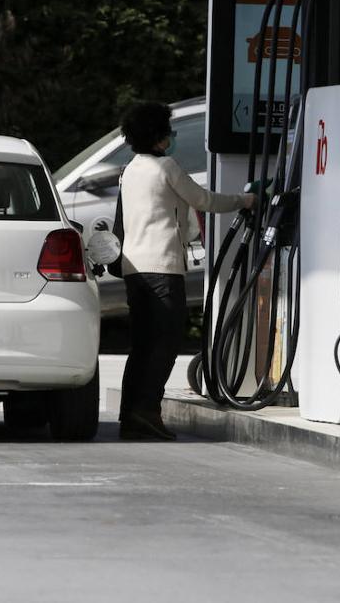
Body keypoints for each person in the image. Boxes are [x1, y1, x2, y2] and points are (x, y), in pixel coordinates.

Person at [115, 101, 257, 441]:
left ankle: (130, 414)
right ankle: (148, 411)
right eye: (169, 130)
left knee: (142, 345)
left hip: (134, 270)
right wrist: (246, 200)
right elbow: (204, 200)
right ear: (159, 136)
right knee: (164, 344)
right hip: (163, 268)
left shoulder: (129, 169)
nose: (172, 136)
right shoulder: (166, 167)